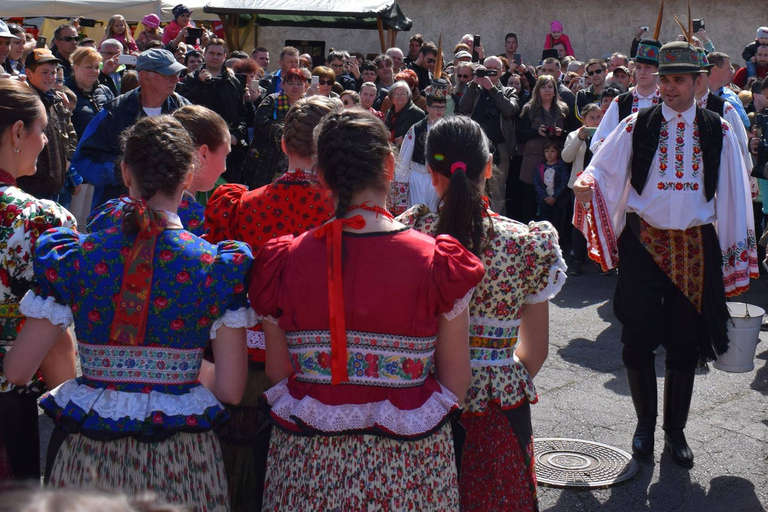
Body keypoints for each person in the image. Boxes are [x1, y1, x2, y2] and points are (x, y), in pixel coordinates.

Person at [4, 114, 253, 509]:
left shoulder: (75, 257)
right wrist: (174, 371)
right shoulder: (216, 264)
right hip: (182, 457)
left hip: (91, 457)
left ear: (124, 172)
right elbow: (230, 389)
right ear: (188, 178)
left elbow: (17, 371)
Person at [250, 109, 484, 510]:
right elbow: (456, 381)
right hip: (408, 465)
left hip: (307, 463)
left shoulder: (284, 259)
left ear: (322, 175)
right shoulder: (437, 261)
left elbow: (278, 372)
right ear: (390, 166)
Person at [572, 42, 758, 468]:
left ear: (699, 82)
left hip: (695, 243)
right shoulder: (638, 124)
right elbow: (602, 167)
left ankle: (675, 432)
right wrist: (586, 182)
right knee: (636, 336)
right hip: (645, 241)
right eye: (665, 78)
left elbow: (733, 193)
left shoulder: (720, 129)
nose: (669, 86)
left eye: (678, 79)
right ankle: (644, 426)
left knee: (685, 342)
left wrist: (735, 256)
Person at [398, 115, 565, 511]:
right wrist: (496, 371)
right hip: (499, 403)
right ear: (489, 168)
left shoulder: (413, 235)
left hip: (423, 397)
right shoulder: (525, 242)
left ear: (432, 174)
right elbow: (535, 352)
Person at [204, 96, 338, 511]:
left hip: (248, 355)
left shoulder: (241, 204)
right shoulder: (343, 209)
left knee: (238, 477)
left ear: (283, 145)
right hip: (318, 357)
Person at [0, 80, 77, 483]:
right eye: (42, 129)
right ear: (17, 132)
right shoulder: (38, 220)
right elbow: (55, 337)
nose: (45, 142)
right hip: (8, 407)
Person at [72, 48, 189, 211]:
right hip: (121, 212)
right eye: (168, 74)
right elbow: (84, 158)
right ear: (145, 77)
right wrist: (124, 170)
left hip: (173, 212)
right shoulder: (113, 112)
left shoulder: (185, 111)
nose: (175, 79)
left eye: (177, 74)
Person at [86, 104, 230, 237]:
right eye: (226, 155)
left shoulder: (108, 214)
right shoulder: (205, 227)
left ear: (126, 171)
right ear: (203, 153)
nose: (224, 168)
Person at [16, 49, 79, 206]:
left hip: (56, 184)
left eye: (53, 73)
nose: (50, 77)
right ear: (28, 73)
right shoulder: (24, 103)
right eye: (45, 72)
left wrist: (69, 166)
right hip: (30, 186)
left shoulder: (55, 101)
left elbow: (67, 135)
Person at [182, 38, 247, 184]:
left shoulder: (233, 82)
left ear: (225, 56)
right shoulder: (191, 79)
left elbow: (242, 114)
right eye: (211, 53)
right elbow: (183, 108)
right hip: (197, 144)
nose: (215, 57)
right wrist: (200, 84)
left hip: (227, 147)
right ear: (205, 54)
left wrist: (236, 135)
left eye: (219, 54)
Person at [459, 56, 520, 214]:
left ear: (501, 72)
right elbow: (463, 106)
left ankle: (498, 226)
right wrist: (474, 83)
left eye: (494, 69)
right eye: (487, 69)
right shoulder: (475, 89)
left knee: (497, 190)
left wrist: (492, 89)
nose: (490, 73)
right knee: (473, 186)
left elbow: (510, 110)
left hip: (499, 147)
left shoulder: (509, 91)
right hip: (475, 145)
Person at [243, 67, 307, 189]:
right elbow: (261, 123)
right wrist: (287, 133)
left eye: (299, 84)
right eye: (291, 83)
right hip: (267, 159)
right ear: (283, 84)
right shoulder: (272, 100)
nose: (295, 87)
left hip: (294, 161)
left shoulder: (307, 105)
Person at [593, 39, 661, 150]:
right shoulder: (620, 102)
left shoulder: (667, 102)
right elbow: (599, 141)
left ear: (657, 70)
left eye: (648, 67)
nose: (642, 72)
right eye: (638, 67)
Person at [393, 80, 449, 213]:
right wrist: (401, 184)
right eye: (435, 107)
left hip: (439, 179)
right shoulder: (417, 129)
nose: (439, 111)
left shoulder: (449, 130)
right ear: (428, 108)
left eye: (442, 107)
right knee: (417, 214)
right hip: (418, 178)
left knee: (436, 216)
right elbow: (404, 158)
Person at [518, 75, 568, 223]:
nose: (547, 90)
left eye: (550, 87)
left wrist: (561, 133)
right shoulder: (529, 109)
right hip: (533, 157)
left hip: (555, 159)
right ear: (537, 90)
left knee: (556, 199)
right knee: (529, 198)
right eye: (543, 87)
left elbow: (571, 133)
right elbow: (520, 134)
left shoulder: (563, 109)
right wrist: (535, 132)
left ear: (554, 90)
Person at [563, 103, 602, 276]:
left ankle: (599, 260)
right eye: (592, 117)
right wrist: (579, 138)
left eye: (598, 117)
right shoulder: (573, 135)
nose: (595, 121)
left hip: (599, 185)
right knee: (578, 224)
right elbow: (566, 157)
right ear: (584, 119)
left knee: (599, 223)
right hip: (578, 185)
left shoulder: (605, 134)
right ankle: (577, 260)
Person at [64, 47, 115, 138]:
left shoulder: (105, 91)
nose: (94, 71)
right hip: (79, 150)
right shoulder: (65, 93)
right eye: (89, 67)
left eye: (97, 67)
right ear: (76, 68)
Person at [534, 138, 569, 235]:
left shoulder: (561, 166)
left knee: (557, 222)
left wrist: (555, 197)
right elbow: (537, 183)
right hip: (544, 201)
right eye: (547, 151)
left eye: (553, 151)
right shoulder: (540, 167)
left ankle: (557, 240)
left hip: (558, 201)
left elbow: (564, 182)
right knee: (545, 222)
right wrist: (545, 197)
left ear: (558, 153)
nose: (549, 154)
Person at [707, 52, 750, 129]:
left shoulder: (731, 94)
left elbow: (745, 123)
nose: (732, 72)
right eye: (728, 68)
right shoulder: (700, 96)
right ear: (715, 69)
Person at [384, 80, 426, 146]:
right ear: (391, 97)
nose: (399, 97)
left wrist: (405, 138)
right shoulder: (389, 113)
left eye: (402, 94)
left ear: (408, 95)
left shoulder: (417, 113)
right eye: (396, 94)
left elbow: (423, 136)